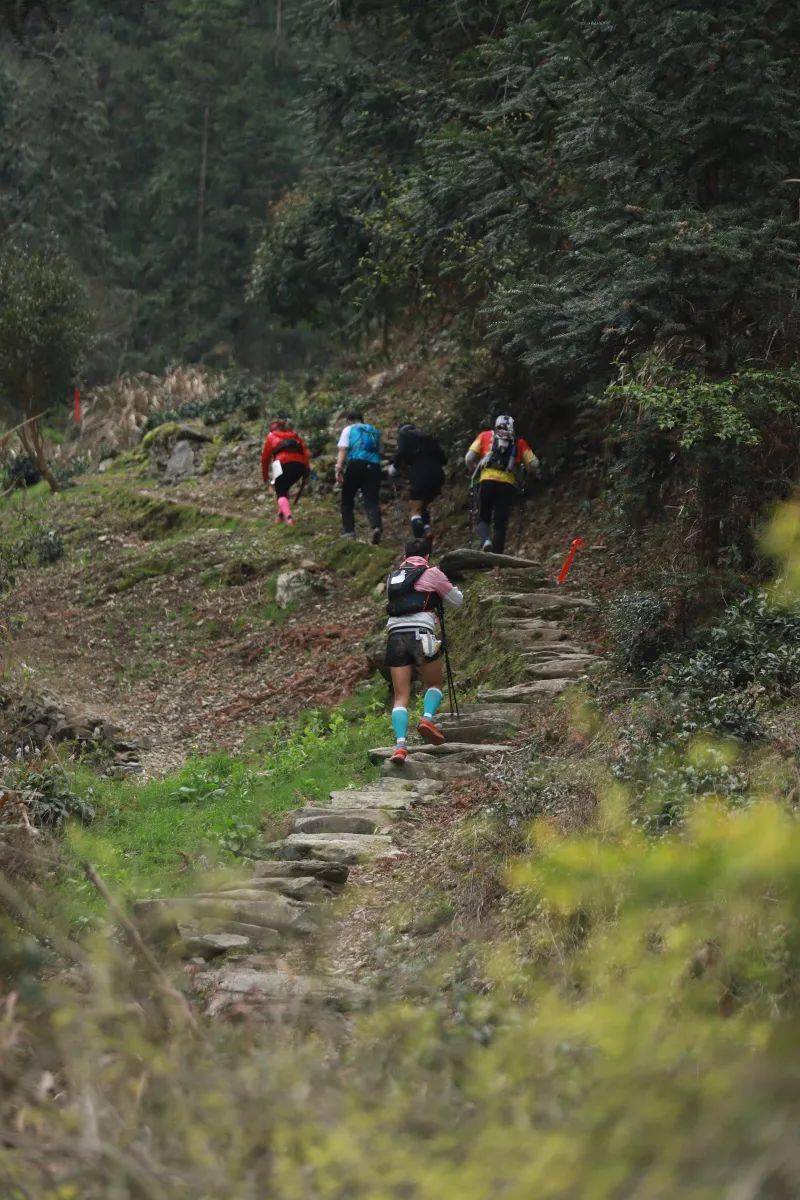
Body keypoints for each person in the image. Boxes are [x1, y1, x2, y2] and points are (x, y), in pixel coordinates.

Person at [384, 537, 464, 766]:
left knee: (400, 696)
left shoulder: (395, 576)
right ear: (427, 556)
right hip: (421, 634)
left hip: (395, 636)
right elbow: (457, 601)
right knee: (435, 683)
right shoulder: (432, 572)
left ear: (404, 555)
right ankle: (427, 719)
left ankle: (400, 746)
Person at [464, 414, 538, 553]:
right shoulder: (519, 442)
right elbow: (534, 463)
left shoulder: (485, 436)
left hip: (486, 481)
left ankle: (486, 541)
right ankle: (497, 563)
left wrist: (475, 471)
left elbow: (469, 458)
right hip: (507, 484)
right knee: (500, 523)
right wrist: (526, 471)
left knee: (483, 516)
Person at [387, 423, 447, 543]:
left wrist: (393, 468)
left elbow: (401, 452)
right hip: (438, 475)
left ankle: (419, 542)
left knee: (415, 509)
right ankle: (427, 529)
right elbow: (444, 459)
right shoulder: (427, 437)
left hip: (421, 474)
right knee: (422, 505)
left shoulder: (404, 435)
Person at [335, 409, 383, 544]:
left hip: (356, 465)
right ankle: (376, 527)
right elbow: (379, 450)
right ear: (362, 419)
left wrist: (338, 467)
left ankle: (349, 531)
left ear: (349, 420)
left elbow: (343, 449)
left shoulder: (348, 429)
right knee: (371, 500)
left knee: (347, 498)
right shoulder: (374, 430)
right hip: (374, 466)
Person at [260, 416, 311, 525]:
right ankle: (279, 516)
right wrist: (306, 471)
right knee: (284, 487)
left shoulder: (271, 436)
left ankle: (289, 518)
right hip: (299, 465)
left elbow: (265, 459)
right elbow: (305, 453)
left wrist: (265, 477)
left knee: (281, 492)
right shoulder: (295, 436)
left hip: (280, 464)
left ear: (272, 429)